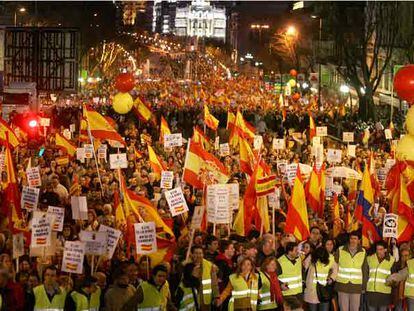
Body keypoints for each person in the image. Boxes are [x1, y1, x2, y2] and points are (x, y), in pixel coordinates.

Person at [334, 231, 367, 311]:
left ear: (359, 240)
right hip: (342, 285)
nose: (353, 240)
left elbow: (364, 269)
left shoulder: (363, 252)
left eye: (355, 238)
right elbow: (334, 266)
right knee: (343, 309)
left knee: (355, 309)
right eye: (351, 238)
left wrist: (364, 286)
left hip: (356, 286)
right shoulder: (340, 249)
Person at [365, 241, 396, 311]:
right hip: (371, 293)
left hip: (384, 294)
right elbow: (365, 274)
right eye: (377, 249)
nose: (378, 251)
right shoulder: (369, 258)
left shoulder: (391, 260)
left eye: (381, 249)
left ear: (385, 249)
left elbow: (394, 278)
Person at [303, 246, 337, 311]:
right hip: (312, 291)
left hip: (324, 291)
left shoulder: (330, 258)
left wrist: (332, 279)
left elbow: (336, 269)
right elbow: (304, 267)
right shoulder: (311, 257)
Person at [189, 245, 219, 310]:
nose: (198, 255)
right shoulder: (187, 265)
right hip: (191, 299)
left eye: (200, 253)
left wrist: (216, 296)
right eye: (196, 253)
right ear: (192, 254)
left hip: (205, 300)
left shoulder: (209, 265)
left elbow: (214, 282)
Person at [277, 242, 303, 311]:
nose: (298, 252)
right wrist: (281, 285)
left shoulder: (299, 259)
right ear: (289, 252)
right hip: (287, 294)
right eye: (295, 250)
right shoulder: (280, 262)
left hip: (299, 293)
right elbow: (274, 277)